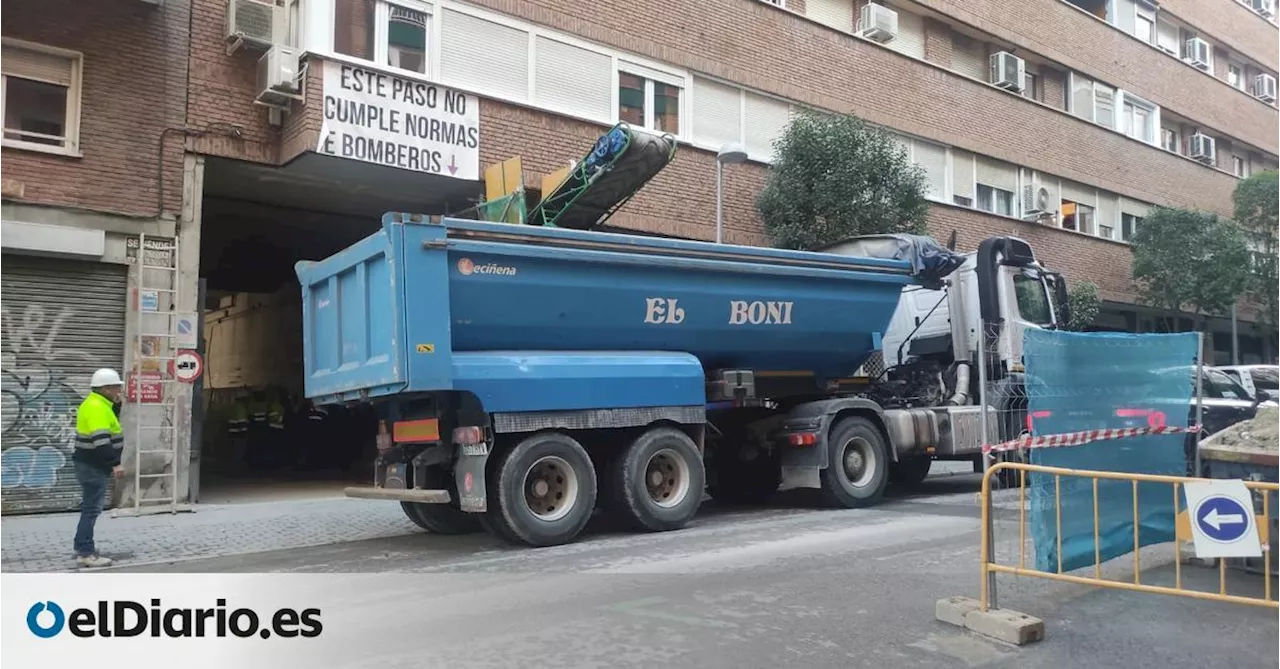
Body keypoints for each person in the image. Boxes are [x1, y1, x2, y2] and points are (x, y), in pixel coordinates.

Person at [73, 368, 126, 568]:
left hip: (90, 464)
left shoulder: (99, 404)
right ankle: (85, 553)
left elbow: (109, 424)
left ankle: (83, 546)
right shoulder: (97, 407)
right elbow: (101, 441)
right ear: (105, 388)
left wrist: (117, 407)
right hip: (92, 466)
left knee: (90, 508)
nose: (118, 390)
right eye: (115, 387)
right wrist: (116, 463)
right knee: (91, 509)